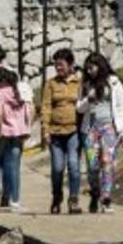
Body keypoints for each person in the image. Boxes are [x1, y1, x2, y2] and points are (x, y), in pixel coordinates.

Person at [77, 52, 123, 213]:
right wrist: (89, 99)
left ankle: (106, 197)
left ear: (100, 67)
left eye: (91, 68)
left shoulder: (113, 83)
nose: (89, 72)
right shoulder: (85, 84)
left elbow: (122, 106)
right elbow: (79, 108)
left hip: (109, 128)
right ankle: (95, 192)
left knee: (107, 162)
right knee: (93, 165)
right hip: (90, 129)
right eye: (87, 69)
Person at [41, 48, 83, 215]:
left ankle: (74, 199)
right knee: (57, 169)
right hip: (55, 132)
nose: (58, 68)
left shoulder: (79, 83)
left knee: (74, 166)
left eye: (61, 64)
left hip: (74, 130)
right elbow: (46, 107)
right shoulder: (51, 84)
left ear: (70, 64)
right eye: (56, 65)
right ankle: (56, 196)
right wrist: (45, 130)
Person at [0, 67, 33, 211]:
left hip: (4, 133)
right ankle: (15, 201)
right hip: (19, 133)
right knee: (14, 167)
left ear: (0, 81)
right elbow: (30, 110)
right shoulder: (20, 92)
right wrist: (28, 128)